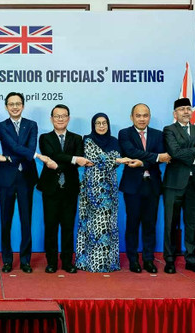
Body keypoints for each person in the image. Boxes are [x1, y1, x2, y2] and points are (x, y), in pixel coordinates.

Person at [0, 92, 52, 273]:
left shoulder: (32, 125)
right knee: (5, 221)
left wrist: (26, 153)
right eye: (11, 104)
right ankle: (7, 260)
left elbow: (30, 147)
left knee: (26, 221)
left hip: (26, 177)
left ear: (23, 106)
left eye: (18, 103)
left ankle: (25, 260)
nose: (15, 107)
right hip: (6, 178)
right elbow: (11, 145)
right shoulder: (1, 126)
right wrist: (33, 155)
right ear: (6, 106)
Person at [38, 104, 91, 273]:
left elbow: (58, 158)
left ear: (68, 118)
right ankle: (51, 262)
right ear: (51, 119)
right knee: (51, 226)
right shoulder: (44, 138)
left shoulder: (77, 138)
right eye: (57, 116)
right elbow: (51, 154)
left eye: (63, 116)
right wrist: (74, 160)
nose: (60, 119)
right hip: (50, 189)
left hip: (70, 188)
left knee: (68, 227)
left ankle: (68, 262)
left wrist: (60, 162)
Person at [118, 103, 171, 274]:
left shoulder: (158, 134)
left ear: (149, 116)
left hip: (153, 185)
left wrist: (143, 162)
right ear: (132, 117)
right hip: (132, 186)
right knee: (132, 224)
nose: (142, 119)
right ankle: (133, 260)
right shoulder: (124, 133)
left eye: (145, 115)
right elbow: (130, 151)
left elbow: (164, 156)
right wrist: (155, 157)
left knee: (150, 225)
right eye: (138, 115)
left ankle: (148, 259)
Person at [162, 97, 195, 275]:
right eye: (182, 109)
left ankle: (191, 260)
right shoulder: (169, 130)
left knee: (191, 223)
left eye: (188, 109)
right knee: (170, 223)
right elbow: (173, 152)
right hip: (174, 184)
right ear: (175, 113)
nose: (186, 112)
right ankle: (169, 260)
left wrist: (184, 152)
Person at [76, 113, 128, 272]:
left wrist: (113, 161)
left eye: (104, 123)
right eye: (98, 123)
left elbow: (108, 162)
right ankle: (89, 262)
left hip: (110, 188)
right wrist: (117, 160)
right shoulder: (87, 139)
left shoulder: (114, 141)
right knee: (91, 225)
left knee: (108, 225)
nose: (101, 126)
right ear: (93, 125)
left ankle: (109, 263)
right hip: (91, 189)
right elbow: (97, 158)